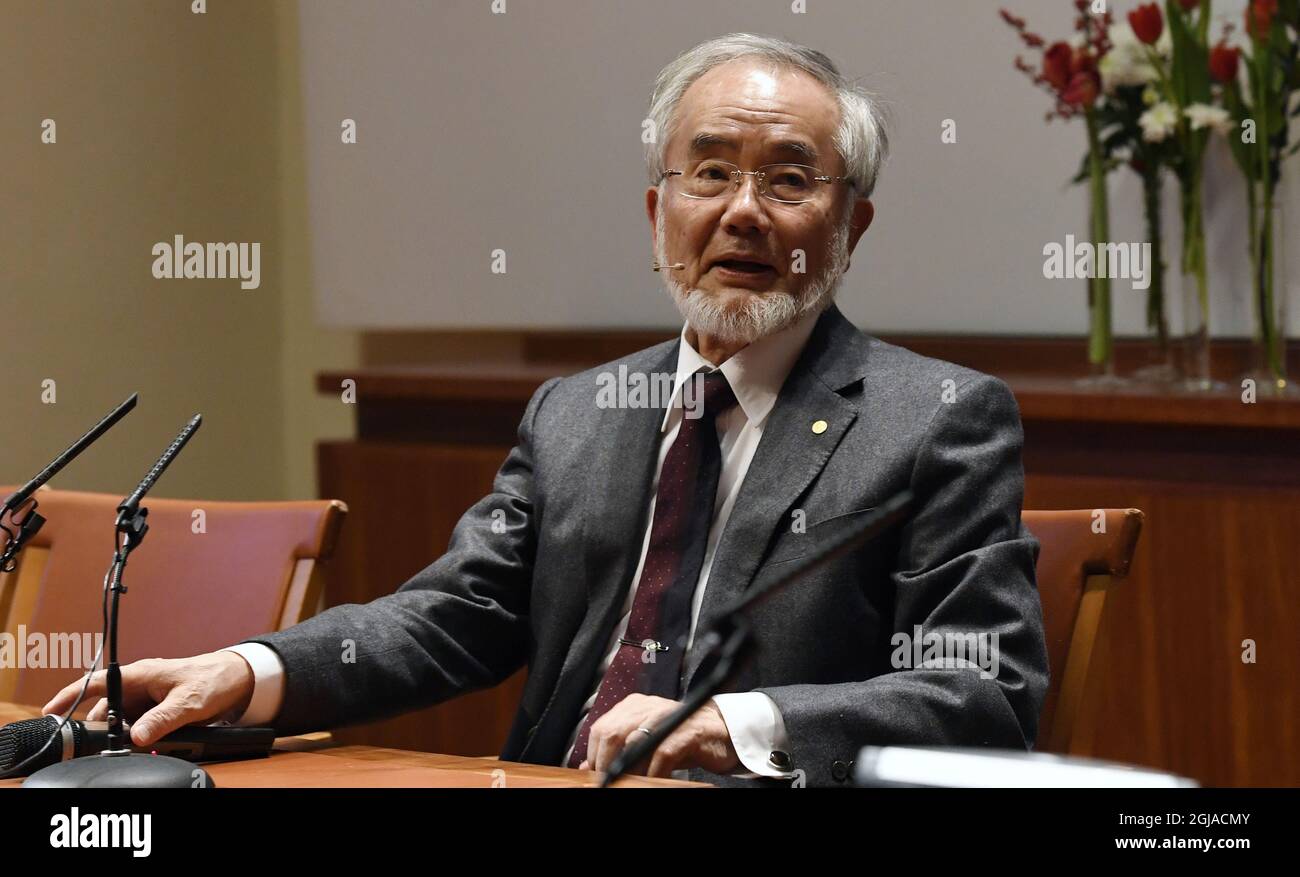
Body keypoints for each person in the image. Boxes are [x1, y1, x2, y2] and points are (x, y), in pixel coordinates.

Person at [45, 33, 1048, 787]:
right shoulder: (577, 414)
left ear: (849, 225)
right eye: (708, 172)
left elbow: (984, 693)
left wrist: (734, 722)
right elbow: (457, 615)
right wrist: (249, 666)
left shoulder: (935, 419)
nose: (743, 210)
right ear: (658, 212)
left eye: (789, 179)